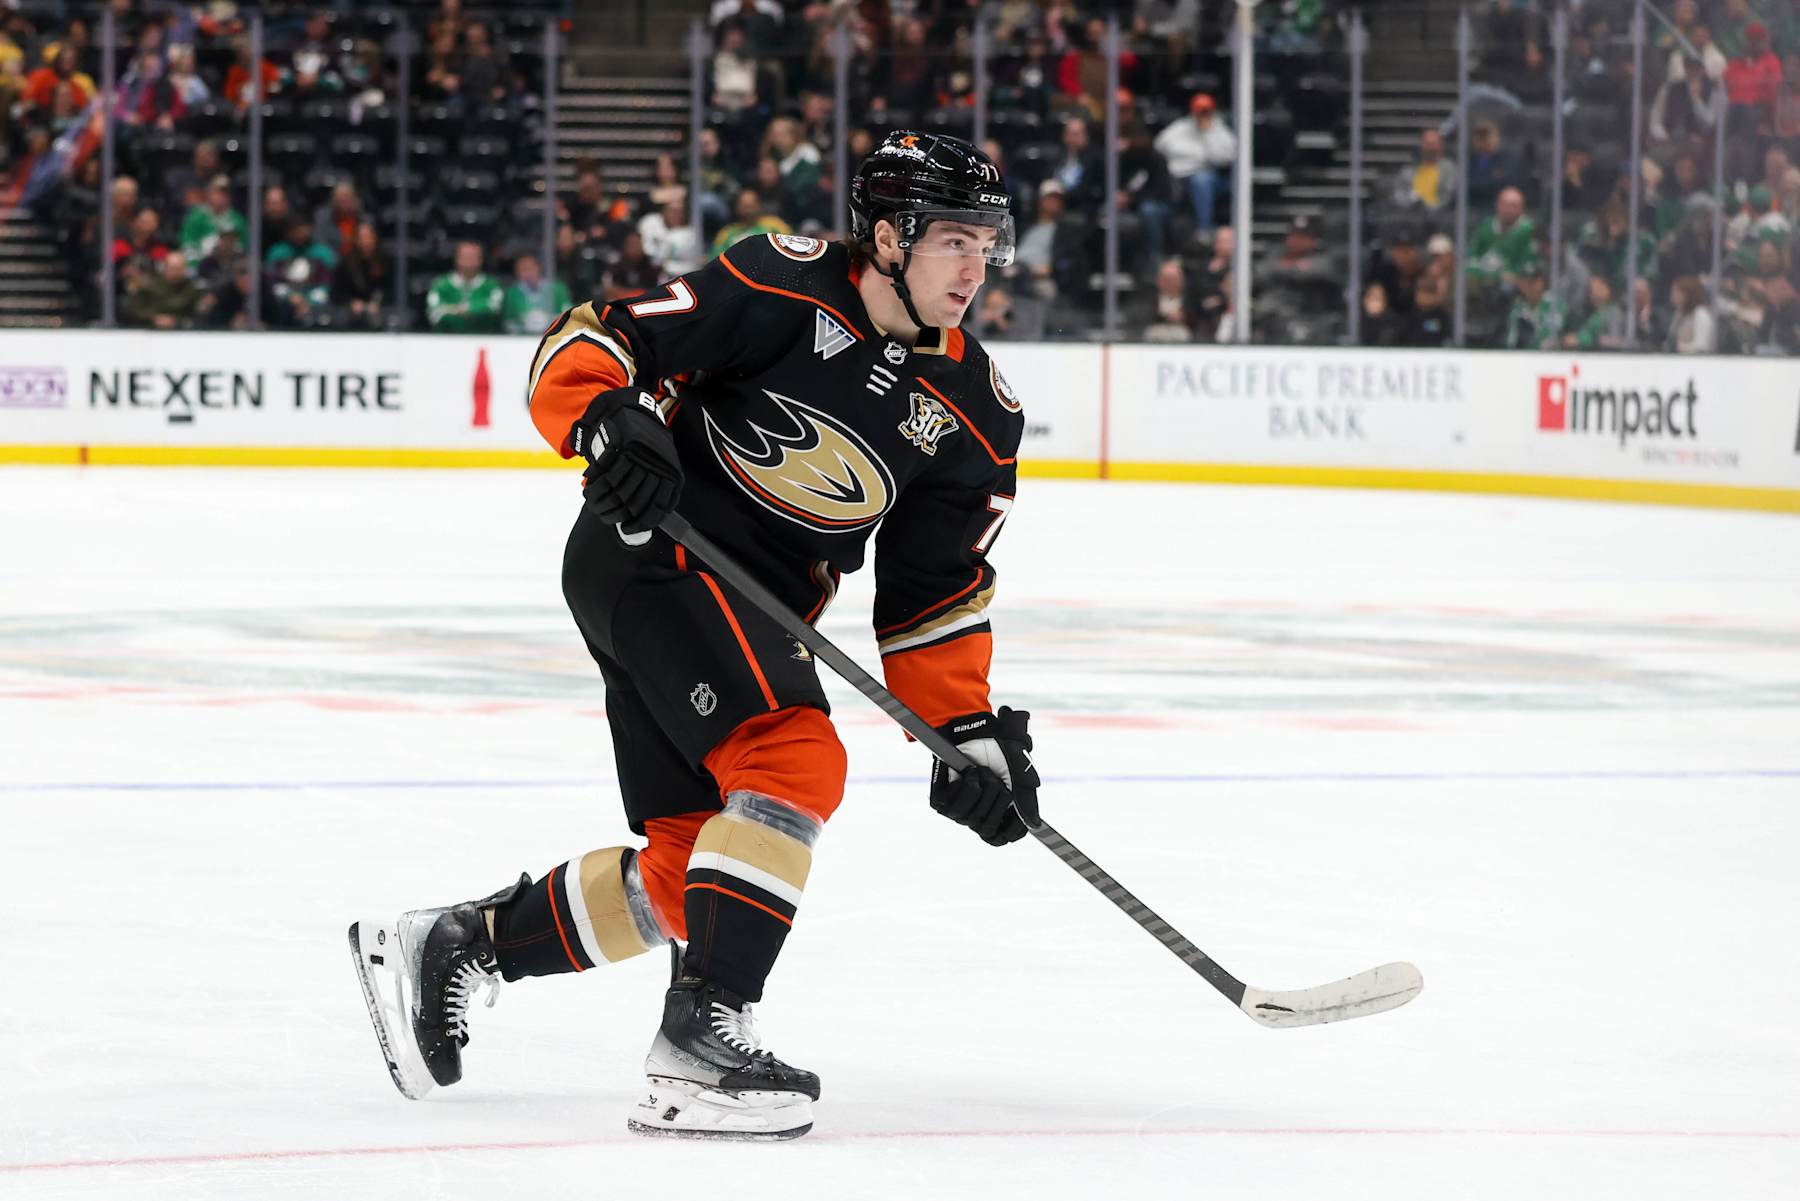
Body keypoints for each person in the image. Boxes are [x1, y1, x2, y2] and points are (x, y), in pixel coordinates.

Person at [350, 130, 1038, 1143]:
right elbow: (596, 335)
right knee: (794, 755)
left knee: (690, 865)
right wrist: (606, 420)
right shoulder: (778, 283)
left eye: (989, 241)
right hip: (652, 555)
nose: (977, 267)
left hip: (749, 609)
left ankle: (461, 943)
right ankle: (701, 1039)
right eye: (953, 240)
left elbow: (934, 593)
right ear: (888, 238)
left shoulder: (976, 409)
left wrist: (965, 732)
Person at [1153, 93, 1235, 232]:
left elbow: (1224, 158)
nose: (1202, 115)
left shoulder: (1219, 130)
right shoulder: (1181, 127)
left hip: (1213, 179)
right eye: (1199, 111)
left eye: (1206, 111)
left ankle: (1204, 228)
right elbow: (1159, 145)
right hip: (1180, 177)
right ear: (1193, 110)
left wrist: (1207, 133)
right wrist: (1198, 155)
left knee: (1202, 180)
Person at [427, 240, 503, 332]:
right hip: (447, 340)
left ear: (481, 259)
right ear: (456, 258)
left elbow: (494, 310)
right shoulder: (441, 285)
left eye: (473, 256)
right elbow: (435, 313)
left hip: (484, 340)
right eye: (465, 256)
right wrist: (466, 311)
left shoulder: (491, 285)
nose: (469, 260)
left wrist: (464, 309)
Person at [501, 251, 571, 335]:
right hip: (522, 341)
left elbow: (568, 317)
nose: (527, 274)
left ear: (539, 268)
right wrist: (523, 324)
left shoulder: (557, 289)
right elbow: (507, 322)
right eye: (522, 270)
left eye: (530, 268)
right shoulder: (512, 293)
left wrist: (550, 320)